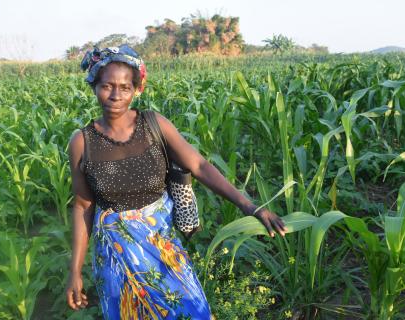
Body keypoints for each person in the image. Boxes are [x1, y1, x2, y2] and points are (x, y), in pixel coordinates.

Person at [65, 45, 287, 319]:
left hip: (163, 246)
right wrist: (75, 271)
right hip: (117, 258)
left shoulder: (153, 124)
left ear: (137, 89)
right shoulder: (82, 142)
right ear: (94, 86)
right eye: (107, 85)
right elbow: (83, 205)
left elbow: (200, 166)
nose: (116, 95)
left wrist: (251, 207)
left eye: (125, 87)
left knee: (193, 311)